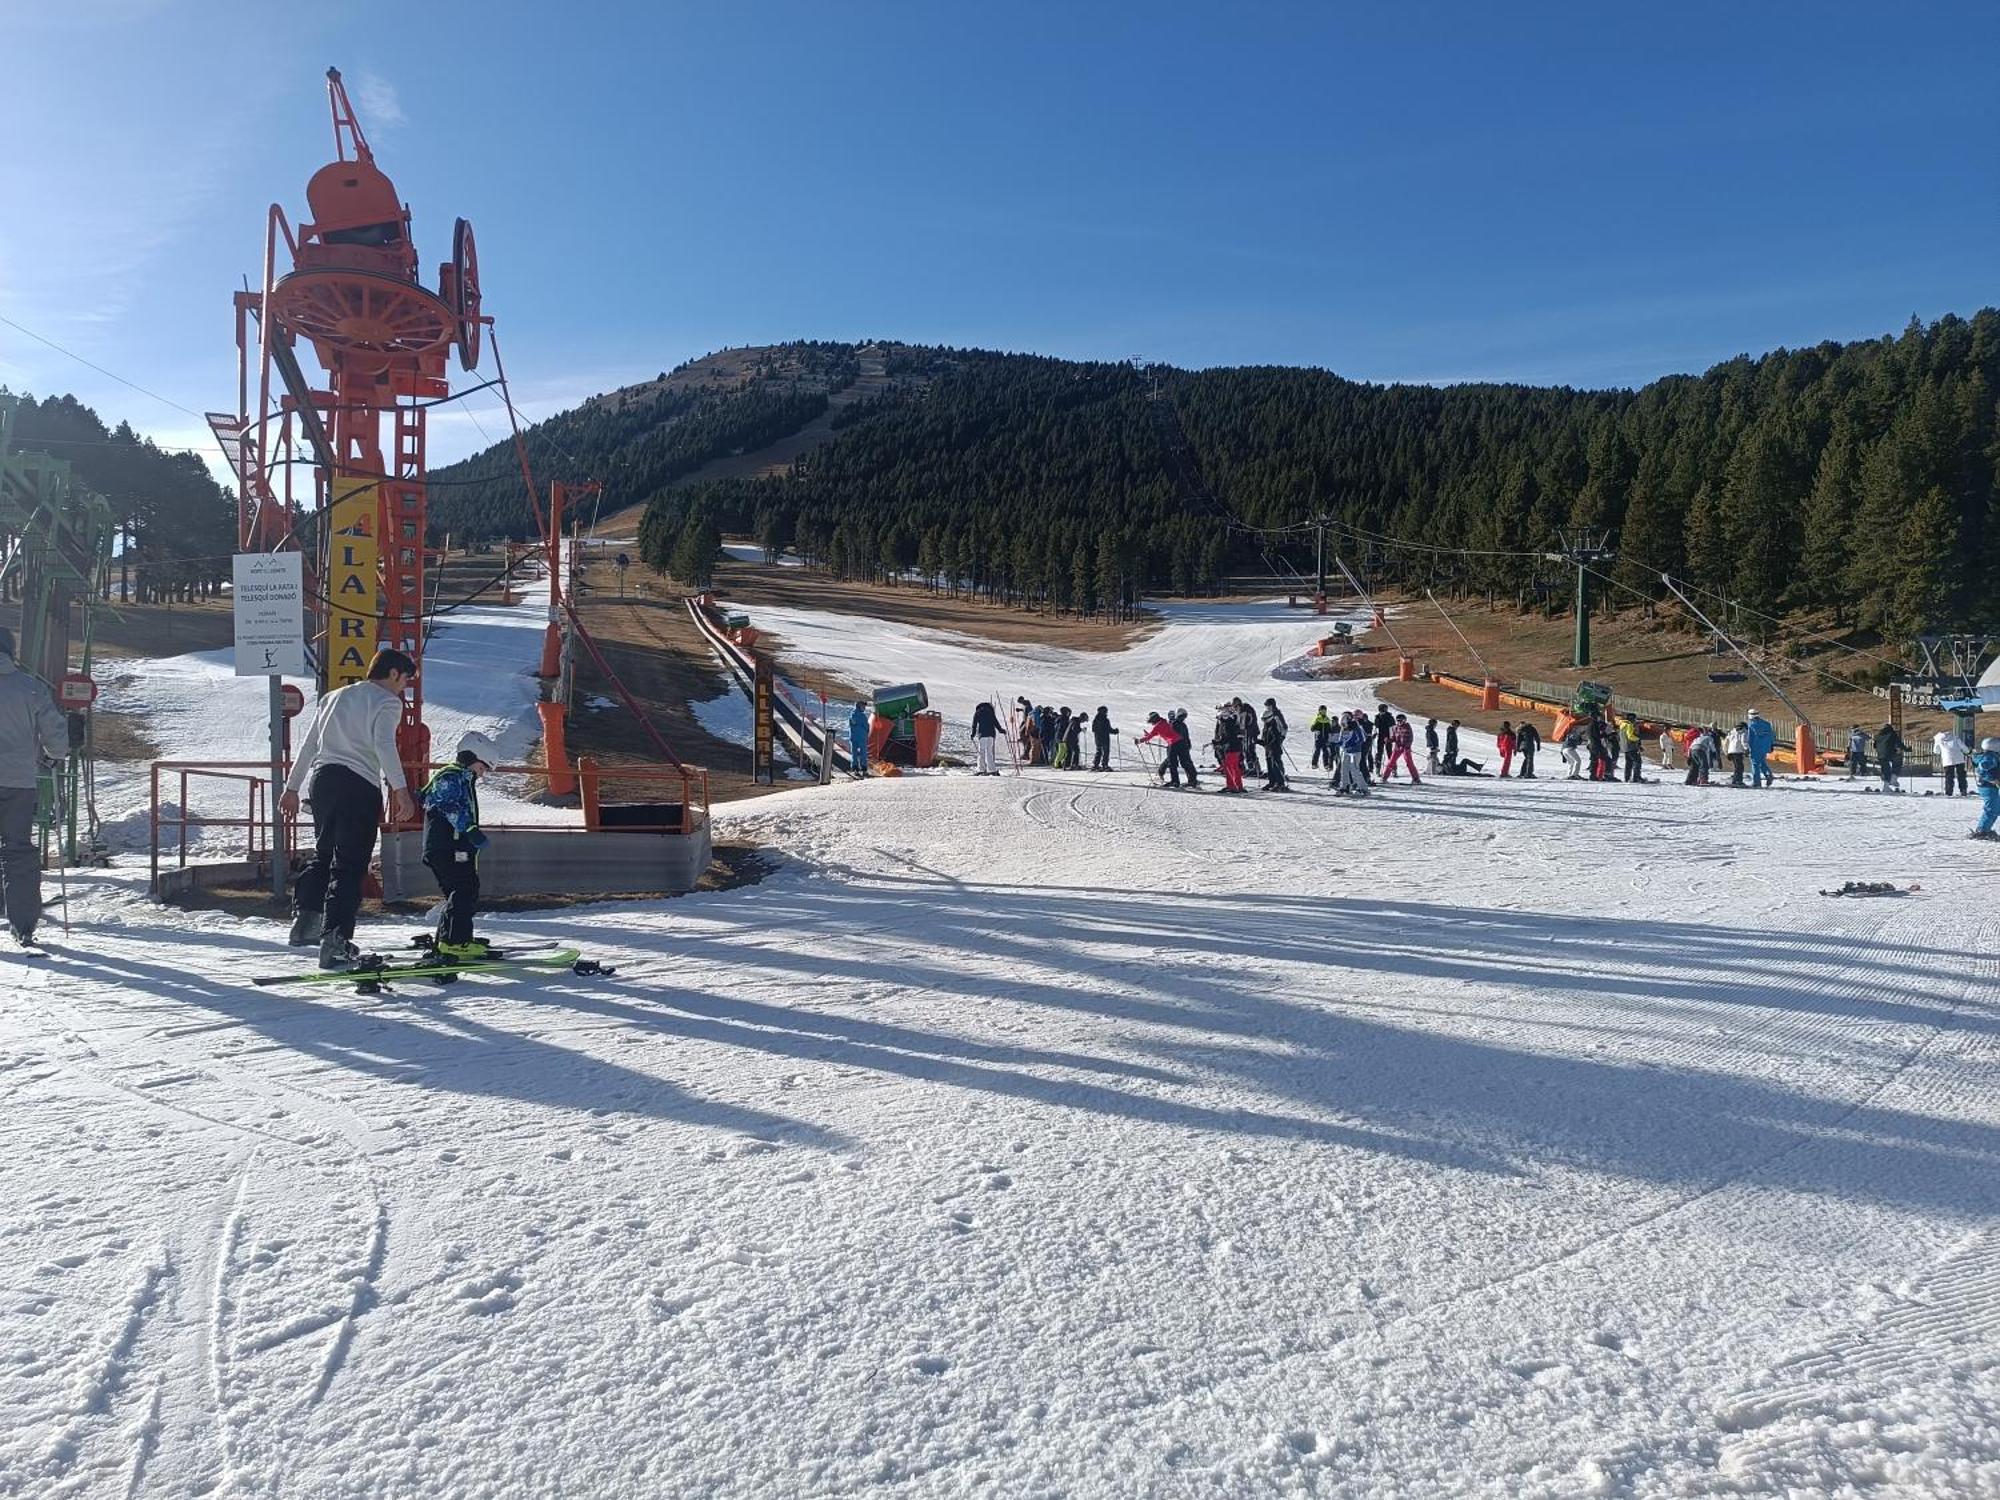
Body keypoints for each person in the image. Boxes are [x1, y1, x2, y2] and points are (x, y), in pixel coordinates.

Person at [281, 648, 420, 970]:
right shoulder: (387, 702)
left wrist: (291, 788)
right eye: (405, 680)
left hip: (322, 782)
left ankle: (305, 924)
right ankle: (336, 941)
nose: (404, 688)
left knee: (323, 853)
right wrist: (401, 791)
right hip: (358, 785)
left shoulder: (334, 697)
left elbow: (309, 745)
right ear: (394, 673)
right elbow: (384, 744)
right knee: (350, 865)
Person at [0, 626, 69, 946]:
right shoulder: (30, 688)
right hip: (18, 782)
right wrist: (55, 755)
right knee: (17, 851)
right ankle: (24, 923)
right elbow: (54, 730)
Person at [421, 732, 495, 959]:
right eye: (482, 768)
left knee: (464, 889)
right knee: (464, 888)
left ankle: (456, 937)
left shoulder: (461, 778)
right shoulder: (450, 777)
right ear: (473, 757)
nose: (482, 774)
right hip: (446, 846)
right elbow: (448, 805)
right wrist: (471, 831)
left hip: (453, 847)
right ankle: (454, 941)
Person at [1971, 736, 2000, 840]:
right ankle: (1982, 831)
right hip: (1988, 786)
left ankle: (1985, 829)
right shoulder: (1989, 757)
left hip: (1989, 786)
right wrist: (1993, 780)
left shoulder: (1990, 755)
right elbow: (1982, 770)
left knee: (1996, 807)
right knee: (1992, 808)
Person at [1213, 704, 1246, 793]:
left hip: (1231, 747)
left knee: (1229, 767)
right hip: (1235, 747)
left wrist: (1218, 742)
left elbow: (1228, 737)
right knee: (1234, 767)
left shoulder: (1228, 724)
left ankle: (1232, 786)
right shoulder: (1233, 721)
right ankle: (1238, 786)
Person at [1336, 713, 1371, 795]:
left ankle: (1363, 788)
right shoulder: (1343, 729)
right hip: (1346, 751)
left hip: (1355, 752)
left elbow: (1362, 739)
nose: (1343, 726)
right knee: (1344, 768)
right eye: (1341, 724)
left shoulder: (1355, 727)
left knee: (1354, 769)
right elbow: (1341, 740)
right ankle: (1345, 786)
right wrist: (1338, 743)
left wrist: (1351, 744)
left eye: (1344, 724)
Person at [1383, 713, 1420, 784]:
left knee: (1409, 763)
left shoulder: (1407, 727)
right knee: (1391, 762)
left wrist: (1407, 746)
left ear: (1404, 720)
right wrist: (1388, 740)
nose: (1399, 722)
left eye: (1401, 720)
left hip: (1405, 748)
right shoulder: (1395, 728)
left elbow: (1410, 738)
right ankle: (1384, 778)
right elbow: (1394, 738)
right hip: (1397, 748)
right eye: (1398, 721)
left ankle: (1416, 779)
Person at [1261, 698, 1289, 790]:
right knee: (1269, 762)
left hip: (1275, 743)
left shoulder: (1276, 715)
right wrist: (1262, 740)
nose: (1267, 707)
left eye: (1268, 705)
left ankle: (1279, 782)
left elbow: (1283, 728)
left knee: (1275, 763)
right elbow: (1266, 730)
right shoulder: (1267, 715)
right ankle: (1272, 781)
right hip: (1268, 744)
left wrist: (1281, 738)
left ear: (1272, 705)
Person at [1934, 726, 1970, 797]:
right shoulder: (1955, 737)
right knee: (1961, 775)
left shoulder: (1938, 739)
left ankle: (1949, 791)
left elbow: (1936, 751)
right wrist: (1967, 751)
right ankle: (1963, 790)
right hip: (1959, 758)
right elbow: (1963, 747)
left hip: (1947, 760)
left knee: (1949, 776)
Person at [1745, 709, 1776, 789]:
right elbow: (1772, 736)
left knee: (1755, 764)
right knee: (1762, 762)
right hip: (1765, 748)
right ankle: (1768, 775)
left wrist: (1747, 748)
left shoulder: (1751, 726)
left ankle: (1757, 782)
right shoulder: (1767, 724)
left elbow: (1749, 738)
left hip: (1755, 747)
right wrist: (1771, 745)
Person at [970, 699, 1001, 775]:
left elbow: (974, 724)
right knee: (989, 752)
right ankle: (991, 769)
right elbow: (995, 722)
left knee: (982, 752)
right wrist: (1001, 730)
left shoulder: (978, 712)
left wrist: (973, 734)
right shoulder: (990, 712)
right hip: (991, 734)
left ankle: (981, 769)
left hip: (982, 735)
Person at [1873, 721, 1906, 792]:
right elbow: (1898, 743)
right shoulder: (1892, 734)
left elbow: (1874, 745)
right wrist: (1906, 748)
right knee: (1898, 762)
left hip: (1881, 754)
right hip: (1890, 753)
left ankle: (1886, 786)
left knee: (1885, 769)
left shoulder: (1878, 735)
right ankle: (1893, 778)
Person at [849, 701, 872, 777]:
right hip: (862, 737)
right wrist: (866, 732)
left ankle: (855, 768)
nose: (864, 708)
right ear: (859, 706)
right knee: (863, 753)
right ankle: (864, 769)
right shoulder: (862, 716)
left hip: (853, 737)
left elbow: (852, 725)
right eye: (863, 707)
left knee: (854, 753)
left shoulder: (852, 715)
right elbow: (866, 726)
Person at [1620, 715, 1644, 784]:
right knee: (1637, 762)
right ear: (1632, 719)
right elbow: (1630, 736)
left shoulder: (1622, 725)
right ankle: (1636, 777)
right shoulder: (1629, 725)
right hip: (1631, 747)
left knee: (1628, 763)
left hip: (1625, 747)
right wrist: (1638, 738)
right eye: (1635, 719)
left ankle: (1627, 777)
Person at [1309, 705, 1333, 770]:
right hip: (1318, 738)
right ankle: (1314, 764)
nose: (1323, 712)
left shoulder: (1327, 719)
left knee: (1325, 751)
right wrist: (1316, 730)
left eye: (1324, 710)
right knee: (1317, 751)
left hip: (1325, 738)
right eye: (1322, 710)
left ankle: (1326, 765)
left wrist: (1330, 733)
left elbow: (1330, 729)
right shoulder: (1317, 719)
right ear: (1319, 711)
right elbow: (1312, 728)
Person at [1372, 705, 1395, 773]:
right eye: (1382, 710)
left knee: (1390, 753)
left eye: (1384, 710)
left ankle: (1393, 769)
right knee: (1379, 753)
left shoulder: (1389, 717)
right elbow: (1375, 727)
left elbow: (1392, 728)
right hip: (1380, 737)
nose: (1383, 711)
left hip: (1388, 737)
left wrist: (1391, 737)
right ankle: (1378, 768)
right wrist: (1375, 733)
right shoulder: (1377, 717)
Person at [1724, 722, 1748, 786]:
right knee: (1740, 767)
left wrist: (1726, 752)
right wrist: (1746, 749)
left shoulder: (1731, 733)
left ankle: (1735, 780)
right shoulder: (1743, 732)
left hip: (1731, 751)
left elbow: (1726, 742)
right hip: (1738, 751)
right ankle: (1737, 781)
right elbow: (1744, 741)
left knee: (1737, 767)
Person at [1090, 706, 1114, 772]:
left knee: (1099, 751)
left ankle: (1096, 765)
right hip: (1105, 738)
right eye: (1105, 711)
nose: (1106, 712)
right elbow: (1109, 729)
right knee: (1106, 752)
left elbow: (1093, 729)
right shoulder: (1105, 720)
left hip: (1098, 738)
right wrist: (1115, 731)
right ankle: (1105, 765)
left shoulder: (1095, 720)